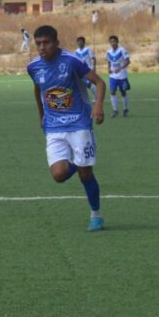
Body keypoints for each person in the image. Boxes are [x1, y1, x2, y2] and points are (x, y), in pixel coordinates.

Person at [28, 25, 108, 232]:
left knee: (86, 175)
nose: (42, 47)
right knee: (59, 175)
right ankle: (78, 163)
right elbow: (38, 90)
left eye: (46, 43)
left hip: (79, 123)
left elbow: (99, 83)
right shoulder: (34, 67)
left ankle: (96, 215)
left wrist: (98, 107)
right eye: (38, 44)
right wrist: (41, 115)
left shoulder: (71, 61)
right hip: (54, 126)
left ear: (56, 43)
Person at [105, 35, 131, 118]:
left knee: (123, 92)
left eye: (114, 41)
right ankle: (115, 110)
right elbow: (109, 61)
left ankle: (125, 109)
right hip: (113, 75)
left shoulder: (122, 50)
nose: (112, 43)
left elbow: (128, 61)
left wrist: (121, 68)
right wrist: (108, 68)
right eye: (111, 42)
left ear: (117, 42)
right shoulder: (108, 52)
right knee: (112, 91)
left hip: (122, 75)